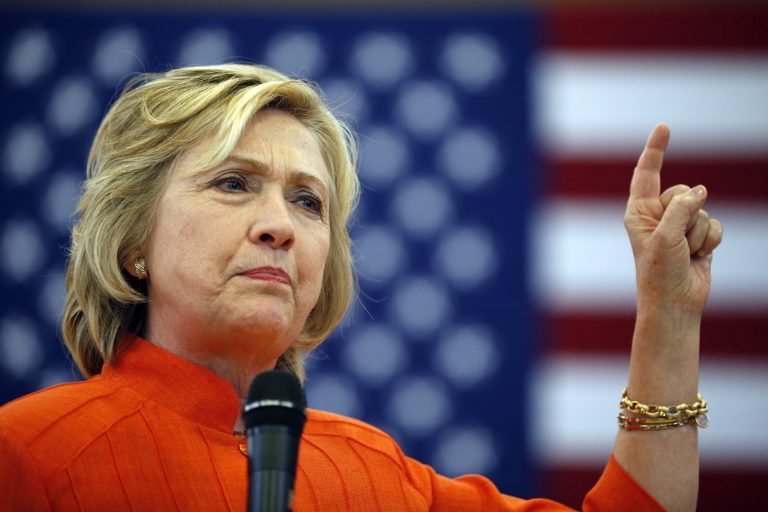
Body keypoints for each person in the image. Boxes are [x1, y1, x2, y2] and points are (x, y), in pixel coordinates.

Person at [0, 63, 722, 511]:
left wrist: (668, 319)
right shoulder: (27, 454)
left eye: (308, 201)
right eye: (233, 183)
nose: (278, 225)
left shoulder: (372, 472)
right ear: (132, 246)